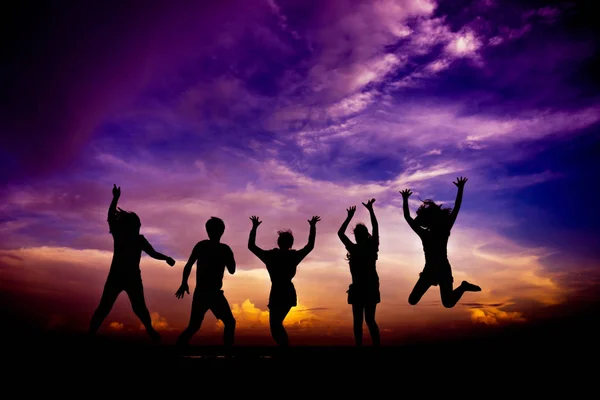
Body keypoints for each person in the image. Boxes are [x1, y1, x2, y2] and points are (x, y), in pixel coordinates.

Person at [88, 184, 175, 341]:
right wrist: (115, 199)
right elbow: (111, 216)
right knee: (106, 307)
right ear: (133, 225)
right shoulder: (121, 234)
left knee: (138, 308)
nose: (140, 226)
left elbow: (153, 253)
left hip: (129, 277)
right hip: (119, 277)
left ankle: (149, 330)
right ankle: (90, 334)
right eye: (138, 224)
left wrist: (166, 258)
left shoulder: (136, 238)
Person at [400, 176, 481, 308]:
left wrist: (460, 189)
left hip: (443, 270)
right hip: (429, 271)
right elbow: (408, 218)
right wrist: (405, 199)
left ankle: (463, 287)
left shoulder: (444, 229)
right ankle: (463, 287)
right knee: (412, 300)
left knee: (448, 303)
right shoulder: (425, 233)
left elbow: (456, 208)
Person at [248, 215, 320, 346]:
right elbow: (310, 246)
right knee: (276, 326)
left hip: (280, 292)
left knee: (275, 326)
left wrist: (254, 228)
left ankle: (285, 351)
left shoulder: (272, 256)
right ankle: (284, 349)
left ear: (279, 242)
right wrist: (312, 227)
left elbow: (251, 246)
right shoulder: (288, 256)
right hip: (284, 292)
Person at [175, 217, 236, 347]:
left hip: (203, 293)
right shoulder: (224, 249)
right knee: (229, 323)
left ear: (207, 231)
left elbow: (189, 265)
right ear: (222, 231)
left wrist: (184, 282)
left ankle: (178, 347)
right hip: (212, 294)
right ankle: (228, 354)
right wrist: (229, 257)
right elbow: (232, 270)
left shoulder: (202, 246)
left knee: (194, 326)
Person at [337, 199, 380, 347]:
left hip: (364, 287)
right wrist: (370, 210)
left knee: (361, 321)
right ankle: (372, 347)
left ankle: (363, 348)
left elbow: (340, 233)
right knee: (368, 320)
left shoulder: (357, 249)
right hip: (366, 287)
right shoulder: (369, 248)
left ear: (358, 236)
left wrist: (350, 216)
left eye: (356, 234)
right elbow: (375, 227)